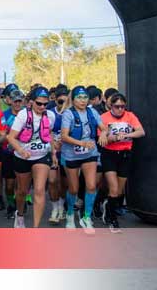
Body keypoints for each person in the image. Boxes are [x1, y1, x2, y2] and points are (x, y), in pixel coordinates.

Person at [6, 86, 57, 228]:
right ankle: (20, 215)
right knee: (22, 191)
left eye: (45, 104)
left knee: (39, 190)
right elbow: (11, 137)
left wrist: (53, 153)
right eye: (39, 103)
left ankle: (35, 229)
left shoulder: (50, 116)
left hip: (42, 156)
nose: (42, 107)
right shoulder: (23, 115)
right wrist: (21, 150)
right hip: (22, 157)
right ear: (31, 102)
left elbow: (49, 134)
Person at [60, 85, 109, 234]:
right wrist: (81, 143)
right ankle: (70, 214)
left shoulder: (92, 111)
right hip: (71, 154)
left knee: (91, 186)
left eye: (85, 97)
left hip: (90, 154)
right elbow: (64, 136)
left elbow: (104, 127)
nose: (82, 100)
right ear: (73, 99)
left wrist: (103, 133)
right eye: (79, 97)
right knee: (73, 189)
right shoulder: (68, 114)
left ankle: (86, 217)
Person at [100, 93, 145, 233]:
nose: (120, 109)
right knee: (113, 188)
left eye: (122, 106)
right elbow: (102, 139)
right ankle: (113, 221)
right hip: (109, 154)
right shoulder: (104, 118)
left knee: (119, 191)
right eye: (117, 106)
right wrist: (113, 138)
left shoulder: (130, 116)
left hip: (125, 154)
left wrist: (126, 135)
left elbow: (141, 132)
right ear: (110, 106)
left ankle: (108, 206)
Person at [0, 88, 25, 218]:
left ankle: (20, 204)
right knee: (10, 185)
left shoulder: (28, 115)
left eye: (19, 101)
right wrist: (6, 135)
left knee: (22, 184)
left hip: (24, 154)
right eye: (15, 101)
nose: (17, 104)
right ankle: (11, 204)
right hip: (8, 153)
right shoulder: (4, 115)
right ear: (10, 101)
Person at [47, 86, 70, 224]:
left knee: (64, 183)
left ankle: (61, 206)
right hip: (52, 151)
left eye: (66, 102)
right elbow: (45, 131)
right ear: (55, 100)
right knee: (52, 181)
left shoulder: (72, 113)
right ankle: (54, 208)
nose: (63, 105)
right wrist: (53, 144)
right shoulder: (50, 113)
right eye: (60, 102)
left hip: (67, 152)